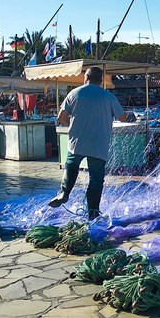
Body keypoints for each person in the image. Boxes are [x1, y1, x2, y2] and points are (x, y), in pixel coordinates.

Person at [48, 66, 128, 219]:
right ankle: (93, 212)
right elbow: (122, 117)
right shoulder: (108, 96)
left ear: (85, 78)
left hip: (77, 140)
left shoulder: (74, 93)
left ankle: (64, 193)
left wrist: (72, 126)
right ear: (101, 80)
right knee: (96, 178)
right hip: (99, 142)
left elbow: (61, 117)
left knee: (71, 166)